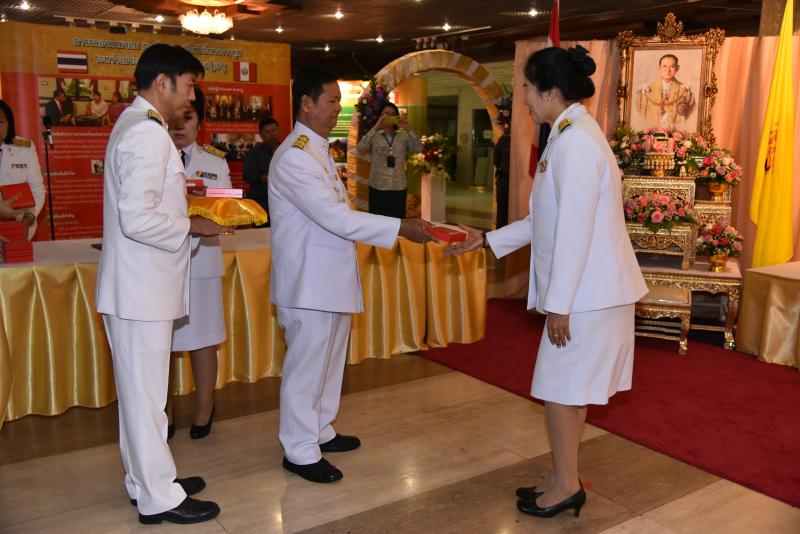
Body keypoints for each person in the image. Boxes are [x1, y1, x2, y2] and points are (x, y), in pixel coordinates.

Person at [447, 45, 647, 518]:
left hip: (588, 296)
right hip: (591, 291)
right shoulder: (569, 134)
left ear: (553, 92)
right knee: (568, 391)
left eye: (528, 90)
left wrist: (560, 304)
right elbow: (546, 221)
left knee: (560, 391)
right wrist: (487, 239)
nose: (525, 100)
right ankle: (562, 476)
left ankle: (567, 485)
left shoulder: (576, 143)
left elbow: (575, 230)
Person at [269, 66, 435, 484]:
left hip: (328, 278)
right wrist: (400, 227)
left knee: (328, 362)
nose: (336, 110)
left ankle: (320, 429)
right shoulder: (295, 156)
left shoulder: (317, 150)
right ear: (306, 103)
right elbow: (334, 218)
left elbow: (338, 215)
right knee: (307, 367)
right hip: (308, 283)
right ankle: (299, 449)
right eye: (331, 102)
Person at [95, 43, 226, 525]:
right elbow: (137, 219)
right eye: (189, 86)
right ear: (163, 82)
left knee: (140, 398)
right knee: (147, 400)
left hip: (138, 288)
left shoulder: (137, 124)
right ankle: (159, 497)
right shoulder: (147, 134)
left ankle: (146, 481)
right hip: (141, 290)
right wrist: (193, 225)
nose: (191, 98)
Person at [167, 87, 230, 439]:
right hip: (164, 265)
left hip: (203, 263)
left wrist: (207, 203)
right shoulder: (155, 157)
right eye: (175, 119)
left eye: (188, 118)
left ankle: (205, 409)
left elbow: (226, 210)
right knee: (161, 342)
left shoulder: (215, 162)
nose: (180, 126)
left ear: (200, 122)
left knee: (204, 340)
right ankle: (164, 413)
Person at [357, 102, 422, 218]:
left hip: (398, 186)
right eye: (385, 113)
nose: (389, 116)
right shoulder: (374, 136)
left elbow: (418, 149)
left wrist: (408, 128)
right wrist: (376, 126)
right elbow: (361, 148)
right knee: (377, 221)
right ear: (380, 116)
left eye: (392, 114)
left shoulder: (403, 137)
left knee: (397, 221)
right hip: (378, 185)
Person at [0, 100, 46, 240]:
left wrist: (28, 219)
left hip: (18, 227)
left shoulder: (24, 147)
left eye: (0, 121)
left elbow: (37, 191)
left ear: (9, 124)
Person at [636, 54, 695, 129]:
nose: (668, 70)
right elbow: (641, 113)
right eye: (664, 66)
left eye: (672, 66)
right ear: (659, 68)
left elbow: (691, 113)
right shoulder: (646, 91)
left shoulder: (686, 92)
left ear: (677, 68)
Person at [243, 116, 279, 223]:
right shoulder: (254, 153)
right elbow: (247, 175)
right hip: (261, 203)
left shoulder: (287, 150)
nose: (272, 134)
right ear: (261, 135)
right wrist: (262, 177)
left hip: (282, 203)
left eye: (274, 130)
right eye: (268, 132)